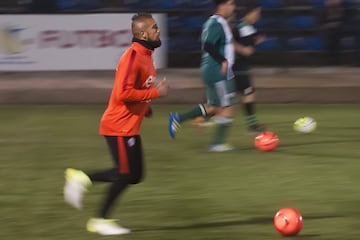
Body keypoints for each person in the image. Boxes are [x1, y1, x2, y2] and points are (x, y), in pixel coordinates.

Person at [63, 13, 168, 236]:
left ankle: (81, 178)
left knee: (135, 175)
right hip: (118, 126)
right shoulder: (132, 57)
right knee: (125, 174)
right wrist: (156, 93)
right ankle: (100, 219)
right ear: (142, 34)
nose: (158, 31)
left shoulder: (147, 55)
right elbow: (124, 93)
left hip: (129, 126)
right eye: (154, 28)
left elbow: (137, 89)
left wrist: (145, 107)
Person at [168, 0, 237, 152]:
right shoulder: (217, 22)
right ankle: (218, 144)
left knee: (213, 107)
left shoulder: (212, 22)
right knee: (228, 106)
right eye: (231, 3)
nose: (233, 6)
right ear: (222, 5)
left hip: (211, 69)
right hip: (219, 70)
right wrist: (223, 61)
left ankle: (178, 118)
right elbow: (207, 44)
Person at [231, 4, 266, 134]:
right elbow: (229, 41)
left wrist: (255, 41)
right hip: (237, 67)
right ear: (248, 13)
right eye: (256, 13)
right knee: (247, 94)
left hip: (242, 66)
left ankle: (201, 116)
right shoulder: (240, 27)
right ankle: (252, 126)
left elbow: (251, 41)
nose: (258, 16)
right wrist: (243, 49)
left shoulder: (249, 28)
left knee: (234, 97)